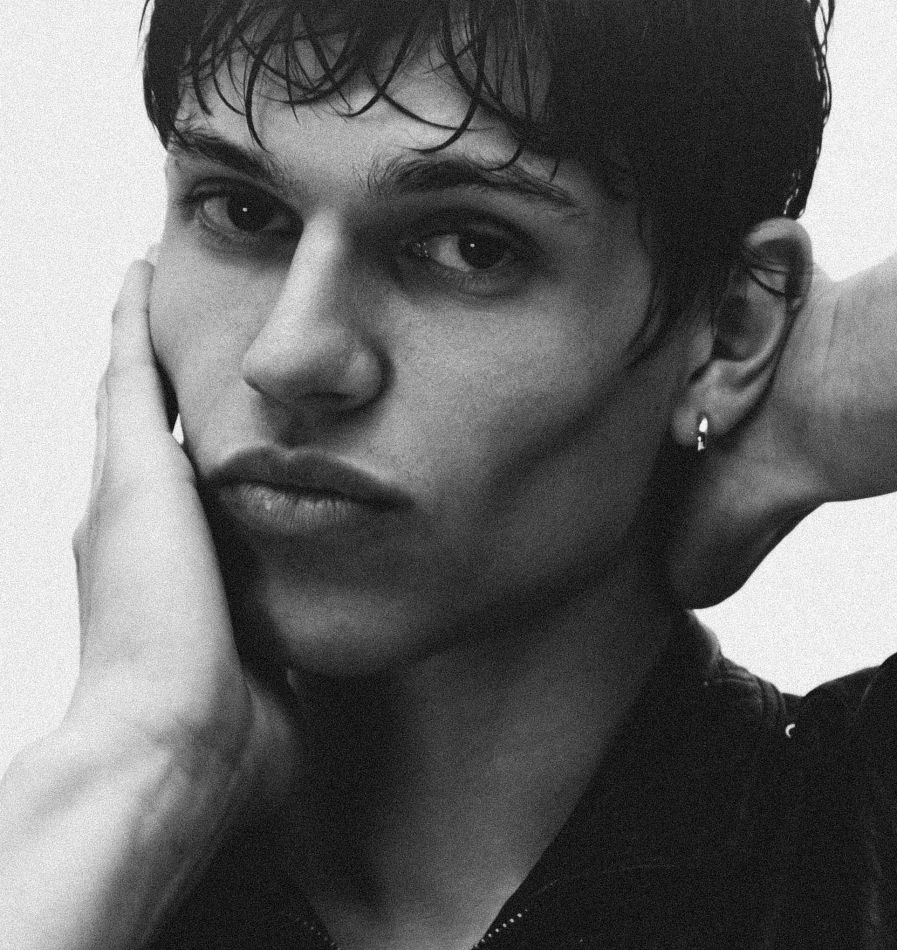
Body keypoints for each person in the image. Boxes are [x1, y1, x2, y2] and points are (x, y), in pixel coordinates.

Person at [1, 0, 895, 947]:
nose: (290, 355)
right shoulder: (70, 848)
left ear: (733, 327)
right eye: (243, 211)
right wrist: (138, 767)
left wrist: (822, 402)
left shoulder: (859, 837)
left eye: (471, 246)